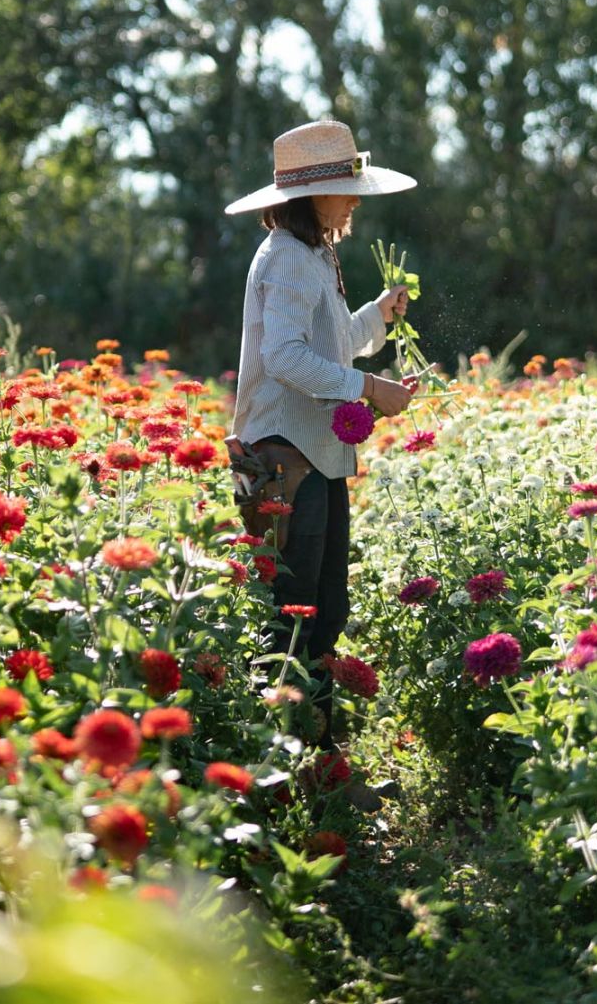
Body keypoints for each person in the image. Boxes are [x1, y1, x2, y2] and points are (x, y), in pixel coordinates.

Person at [225, 120, 419, 782]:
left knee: (323, 611)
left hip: (314, 459)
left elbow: (328, 348)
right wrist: (369, 387)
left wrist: (377, 315)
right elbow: (282, 359)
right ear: (310, 197)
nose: (354, 201)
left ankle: (317, 766)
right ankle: (286, 773)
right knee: (291, 619)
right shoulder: (284, 258)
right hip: (283, 460)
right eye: (343, 189)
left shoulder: (313, 255)